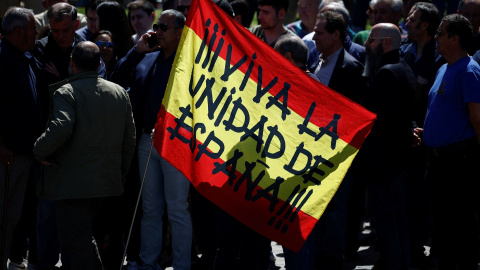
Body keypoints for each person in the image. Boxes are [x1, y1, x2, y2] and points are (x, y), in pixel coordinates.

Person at [33, 41, 136, 270]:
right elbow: (129, 140)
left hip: (73, 184)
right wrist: (119, 173)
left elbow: (61, 127)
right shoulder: (119, 93)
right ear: (99, 63)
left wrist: (39, 150)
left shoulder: (67, 91)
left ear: (72, 63)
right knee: (85, 241)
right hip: (107, 182)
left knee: (78, 244)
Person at [110, 9, 192, 270]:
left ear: (180, 33)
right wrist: (138, 50)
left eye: (164, 27)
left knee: (177, 209)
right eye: (156, 25)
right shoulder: (148, 57)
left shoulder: (190, 64)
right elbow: (117, 79)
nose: (157, 31)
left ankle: (181, 266)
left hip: (177, 143)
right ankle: (148, 264)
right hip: (147, 141)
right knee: (150, 208)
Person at [422, 13, 480, 269]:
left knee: (461, 225)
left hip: (459, 162)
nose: (435, 37)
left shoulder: (469, 71)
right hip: (437, 161)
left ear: (455, 38)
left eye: (440, 33)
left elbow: (477, 119)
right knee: (442, 225)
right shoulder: (443, 67)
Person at [360, 23, 417, 270]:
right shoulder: (403, 68)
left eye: (371, 39)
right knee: (398, 220)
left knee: (386, 222)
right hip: (398, 161)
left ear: (385, 43)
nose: (366, 45)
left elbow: (375, 118)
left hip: (383, 164)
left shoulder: (386, 74)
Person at [399, 2, 444, 267]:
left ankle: (425, 248)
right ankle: (407, 248)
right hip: (404, 135)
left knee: (424, 199)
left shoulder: (439, 57)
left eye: (413, 18)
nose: (407, 20)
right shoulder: (404, 52)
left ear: (424, 25)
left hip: (427, 139)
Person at [0, 6, 43, 269]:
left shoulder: (22, 56)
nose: (37, 32)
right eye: (32, 28)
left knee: (11, 219)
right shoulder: (2, 58)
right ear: (18, 32)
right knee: (3, 216)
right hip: (7, 156)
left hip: (22, 153)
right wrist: (1, 145)